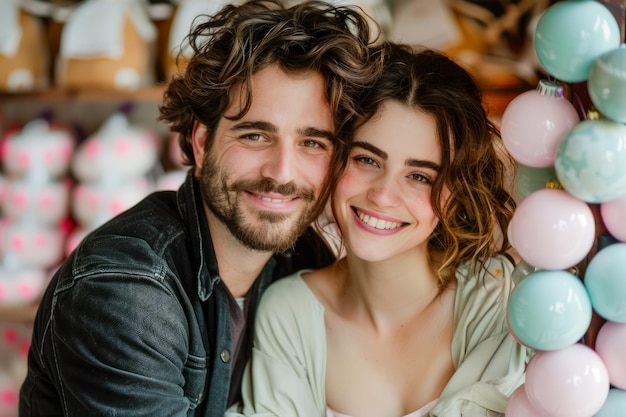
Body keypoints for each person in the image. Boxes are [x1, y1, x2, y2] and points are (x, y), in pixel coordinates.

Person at [18, 1, 382, 416]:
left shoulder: (303, 262)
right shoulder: (127, 291)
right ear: (202, 142)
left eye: (312, 143)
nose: (282, 172)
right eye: (255, 136)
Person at [227, 42, 532, 417]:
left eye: (419, 176)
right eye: (367, 159)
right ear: (334, 158)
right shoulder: (290, 312)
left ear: (455, 195)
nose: (384, 196)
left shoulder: (500, 302)